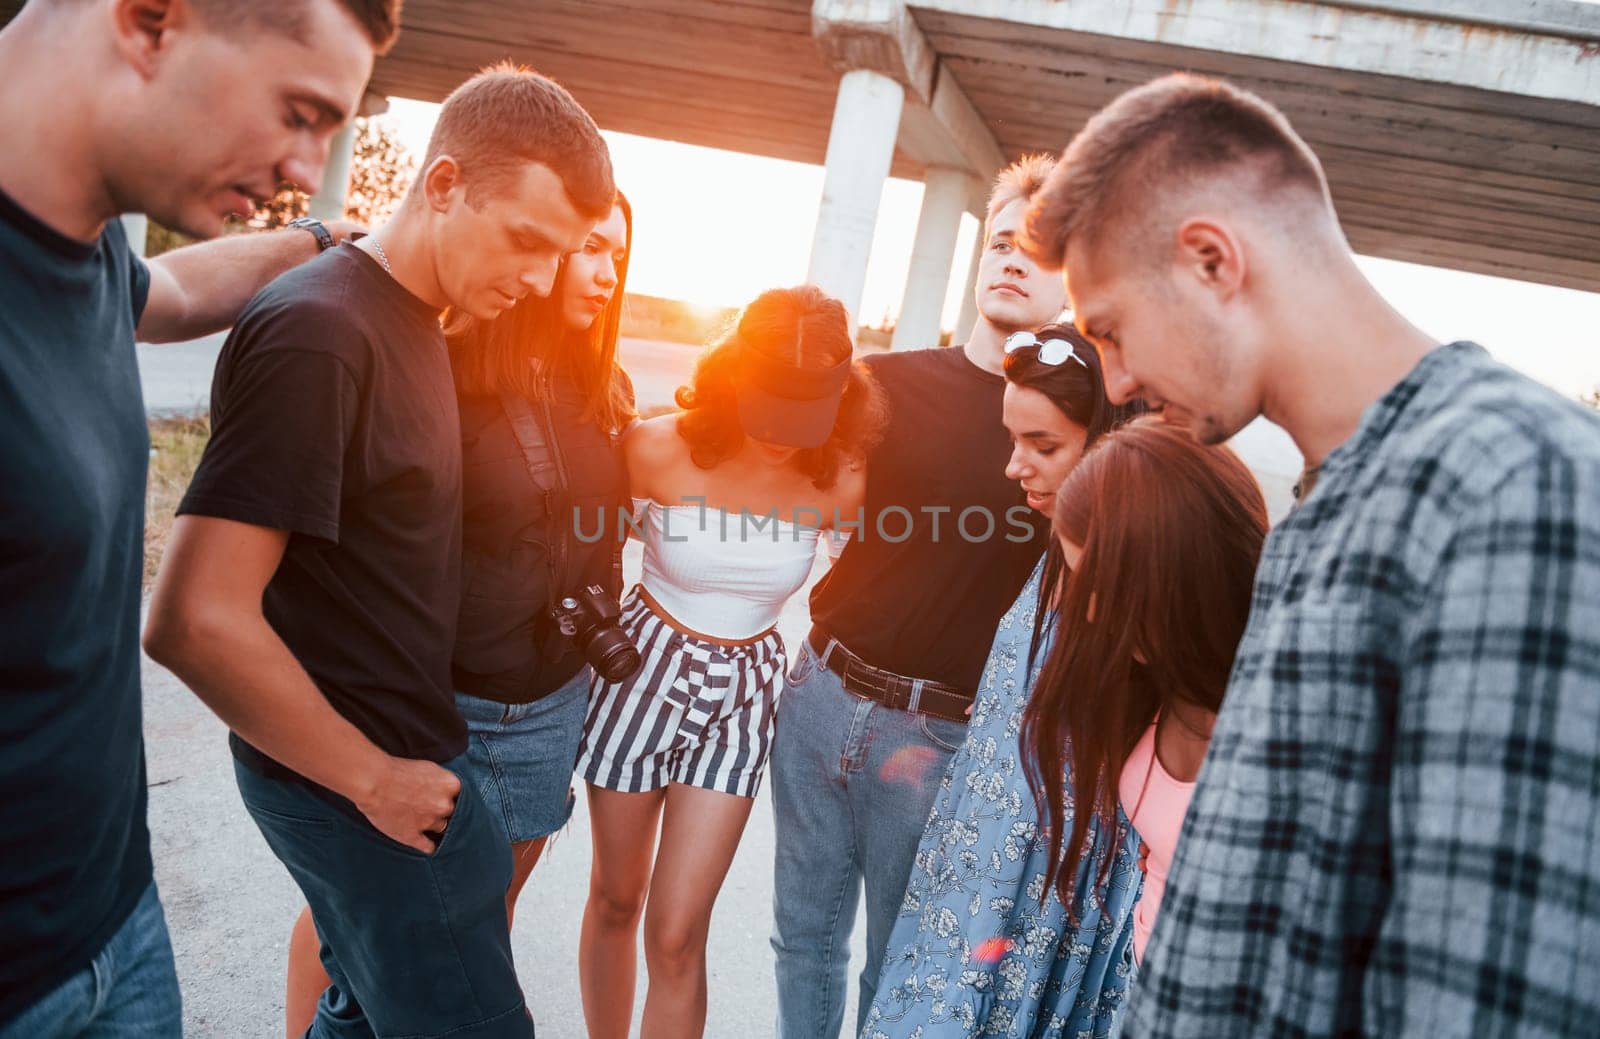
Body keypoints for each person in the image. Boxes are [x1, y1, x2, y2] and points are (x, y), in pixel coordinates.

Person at [1025, 72, 1600, 1036]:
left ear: (1212, 260)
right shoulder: (1329, 506)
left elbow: (1483, 994)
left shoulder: (1511, 482)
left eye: (1113, 331)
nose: (1114, 379)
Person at [142, 65, 614, 1039]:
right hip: (360, 793)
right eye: (526, 241)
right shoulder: (324, 333)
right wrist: (373, 779)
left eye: (555, 257)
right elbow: (194, 618)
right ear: (441, 185)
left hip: (418, 771)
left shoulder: (413, 319)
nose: (535, 279)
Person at [0, 0, 398, 1033]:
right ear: (149, 20)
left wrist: (323, 243)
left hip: (115, 922)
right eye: (301, 112)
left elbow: (162, 293)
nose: (306, 168)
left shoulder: (72, 241)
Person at [280, 194, 636, 1037]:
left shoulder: (605, 387)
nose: (604, 272)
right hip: (436, 703)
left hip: (548, 708)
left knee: (478, 930)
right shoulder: (437, 361)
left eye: (617, 254)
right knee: (350, 924)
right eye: (588, 248)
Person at [770, 155, 1065, 1039]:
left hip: (942, 737)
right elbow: (801, 496)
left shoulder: (1074, 432)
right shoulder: (886, 381)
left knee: (900, 959)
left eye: (1041, 249)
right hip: (819, 696)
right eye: (1003, 240)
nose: (1014, 258)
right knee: (805, 939)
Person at [577, 285, 887, 1039]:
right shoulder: (652, 446)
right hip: (638, 674)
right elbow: (577, 564)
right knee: (619, 897)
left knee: (678, 931)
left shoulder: (839, 477)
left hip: (745, 693)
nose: (783, 433)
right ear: (733, 374)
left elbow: (875, 588)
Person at [865, 325, 1146, 1038]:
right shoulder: (1060, 548)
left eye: (1044, 446)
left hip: (1043, 898)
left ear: (1109, 441)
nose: (1014, 466)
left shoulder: (1137, 583)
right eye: (1012, 439)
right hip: (972, 871)